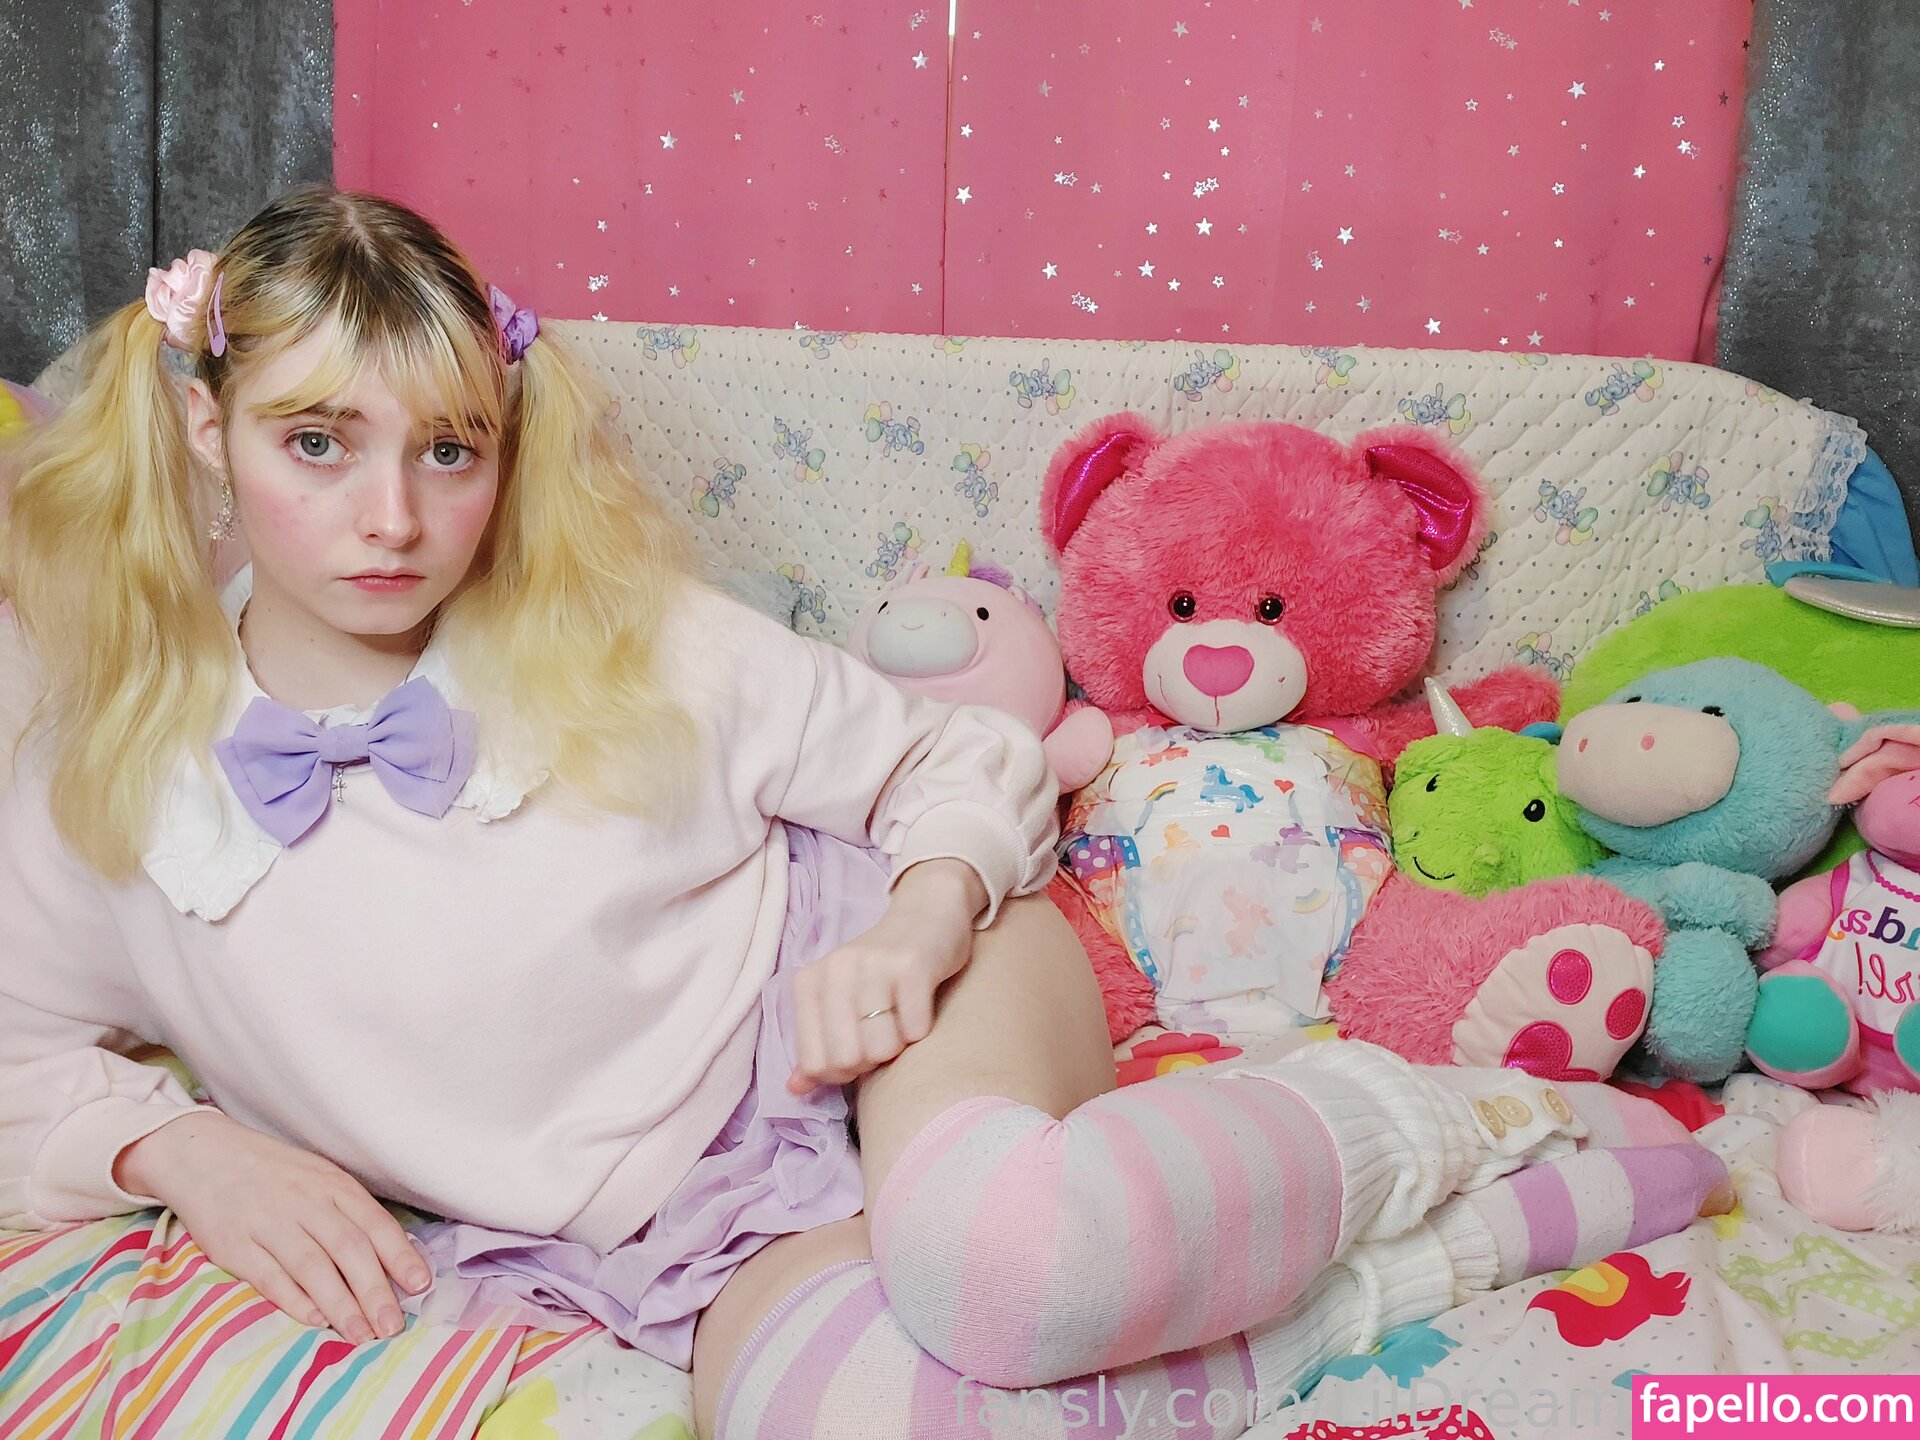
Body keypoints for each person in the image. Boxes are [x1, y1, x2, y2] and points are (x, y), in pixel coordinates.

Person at [0, 187, 1727, 1439]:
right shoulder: (111, 767)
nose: (392, 516)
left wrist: (917, 922)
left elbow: (953, 762)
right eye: (318, 443)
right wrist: (182, 1149)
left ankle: (1439, 1121)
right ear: (208, 428)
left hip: (906, 998)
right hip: (666, 1239)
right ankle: (1440, 1245)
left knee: (1007, 1260)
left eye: (448, 449)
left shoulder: (623, 639)